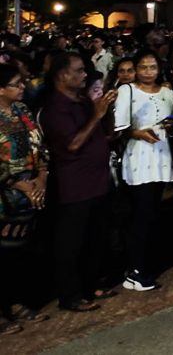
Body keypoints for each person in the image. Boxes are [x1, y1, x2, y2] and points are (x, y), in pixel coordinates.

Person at [40, 53, 118, 311]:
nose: (85, 75)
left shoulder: (82, 100)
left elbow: (101, 133)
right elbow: (72, 143)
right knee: (71, 243)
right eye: (80, 71)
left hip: (98, 181)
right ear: (63, 75)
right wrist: (97, 114)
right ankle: (69, 296)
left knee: (96, 237)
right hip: (75, 186)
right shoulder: (55, 108)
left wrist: (106, 112)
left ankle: (91, 283)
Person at [113, 50, 173, 291]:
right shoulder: (127, 91)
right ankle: (135, 269)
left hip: (161, 156)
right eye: (143, 67)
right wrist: (136, 132)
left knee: (152, 212)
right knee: (140, 214)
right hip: (139, 158)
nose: (148, 72)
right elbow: (118, 127)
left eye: (152, 67)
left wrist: (171, 126)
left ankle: (144, 264)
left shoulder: (167, 93)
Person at [0, 63, 50, 332]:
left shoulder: (22, 110)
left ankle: (15, 302)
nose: (23, 88)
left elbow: (38, 145)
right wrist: (18, 185)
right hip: (6, 195)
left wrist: (41, 177)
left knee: (17, 255)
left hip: (30, 190)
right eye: (16, 84)